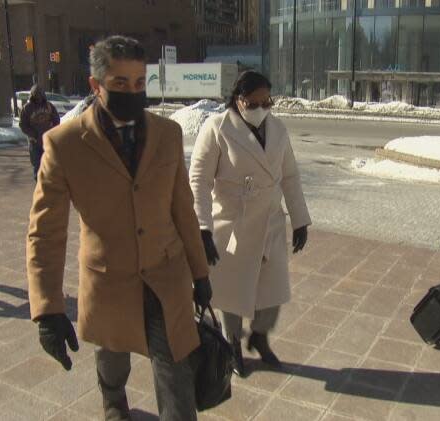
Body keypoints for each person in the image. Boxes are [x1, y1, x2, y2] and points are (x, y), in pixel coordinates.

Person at [26, 36, 211, 421]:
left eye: (140, 83)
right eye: (120, 84)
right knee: (113, 367)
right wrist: (47, 310)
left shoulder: (168, 135)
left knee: (176, 376)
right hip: (108, 282)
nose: (133, 92)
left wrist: (199, 271)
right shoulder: (63, 145)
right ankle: (114, 403)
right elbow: (46, 232)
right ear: (96, 86)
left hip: (165, 277)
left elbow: (182, 209)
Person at [189, 71, 311, 377]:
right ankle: (232, 343)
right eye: (253, 101)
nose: (260, 107)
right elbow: (199, 181)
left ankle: (260, 335)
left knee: (273, 289)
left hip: (270, 221)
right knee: (233, 291)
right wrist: (202, 227)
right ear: (238, 99)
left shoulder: (278, 129)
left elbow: (291, 176)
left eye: (265, 101)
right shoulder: (217, 128)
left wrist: (300, 221)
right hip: (232, 224)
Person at [19, 85, 60, 181]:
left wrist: (51, 132)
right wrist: (34, 134)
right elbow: (23, 125)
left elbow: (56, 121)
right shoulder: (27, 108)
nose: (38, 97)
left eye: (40, 94)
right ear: (32, 95)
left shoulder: (49, 106)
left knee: (49, 165)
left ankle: (49, 188)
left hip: (48, 141)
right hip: (35, 142)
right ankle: (39, 188)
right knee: (37, 166)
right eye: (36, 94)